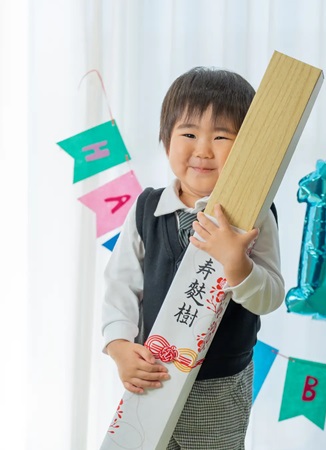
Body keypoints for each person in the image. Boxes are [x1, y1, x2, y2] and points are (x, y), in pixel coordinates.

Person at [102, 67, 285, 449]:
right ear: (166, 139)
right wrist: (119, 345)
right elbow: (121, 284)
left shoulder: (256, 215)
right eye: (188, 134)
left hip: (219, 386)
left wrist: (238, 263)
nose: (202, 150)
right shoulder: (146, 209)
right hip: (154, 373)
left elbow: (269, 297)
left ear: (247, 148)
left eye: (221, 137)